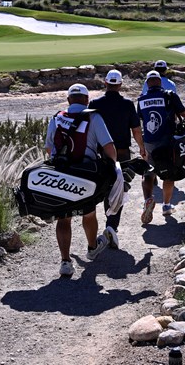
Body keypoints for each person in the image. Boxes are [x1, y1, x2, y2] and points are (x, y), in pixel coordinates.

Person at [45, 83, 118, 278]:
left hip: (61, 173)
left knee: (63, 217)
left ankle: (65, 262)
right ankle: (92, 247)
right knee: (89, 213)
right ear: (87, 100)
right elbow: (109, 147)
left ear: (68, 100)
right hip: (87, 175)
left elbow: (48, 148)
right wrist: (113, 168)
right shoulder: (94, 117)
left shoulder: (57, 118)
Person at [89, 70, 145, 250]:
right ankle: (111, 225)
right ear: (120, 85)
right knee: (118, 190)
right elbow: (136, 130)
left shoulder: (95, 104)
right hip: (122, 155)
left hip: (100, 156)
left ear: (105, 83)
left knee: (102, 190)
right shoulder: (128, 104)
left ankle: (106, 225)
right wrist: (142, 148)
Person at [137, 70, 185, 222]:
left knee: (148, 173)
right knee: (169, 174)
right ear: (160, 82)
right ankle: (166, 206)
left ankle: (147, 200)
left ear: (147, 84)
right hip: (168, 142)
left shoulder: (141, 99)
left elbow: (138, 124)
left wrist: (141, 146)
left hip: (149, 141)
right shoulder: (169, 95)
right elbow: (183, 113)